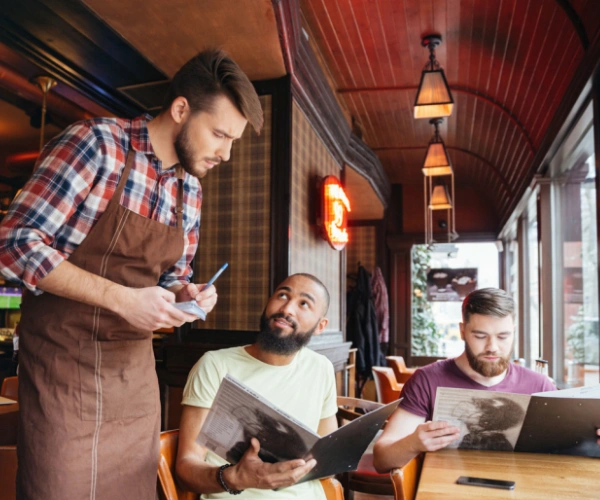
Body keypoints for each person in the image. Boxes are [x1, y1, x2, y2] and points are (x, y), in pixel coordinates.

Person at [0, 49, 263, 499]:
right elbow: (14, 243)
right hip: (62, 374)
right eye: (219, 134)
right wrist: (123, 299)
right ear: (181, 109)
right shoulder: (97, 144)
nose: (226, 153)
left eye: (233, 140)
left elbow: (172, 277)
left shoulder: (190, 190)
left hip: (134, 382)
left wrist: (187, 294)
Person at [176, 273, 338, 499]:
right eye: (282, 295)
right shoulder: (215, 365)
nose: (287, 309)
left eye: (304, 304)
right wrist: (234, 477)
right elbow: (186, 466)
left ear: (320, 326)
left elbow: (325, 459)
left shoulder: (321, 368)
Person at [373, 287, 556, 472]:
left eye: (503, 336)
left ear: (513, 332)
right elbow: (381, 460)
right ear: (462, 331)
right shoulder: (427, 380)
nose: (492, 347)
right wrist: (412, 443)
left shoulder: (540, 386)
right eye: (480, 336)